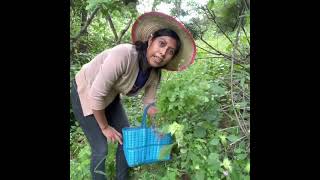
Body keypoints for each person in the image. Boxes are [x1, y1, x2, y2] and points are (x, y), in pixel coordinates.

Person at [70, 11, 196, 180]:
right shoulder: (124, 55)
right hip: (85, 91)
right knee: (101, 148)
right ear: (150, 40)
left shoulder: (154, 74)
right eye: (161, 43)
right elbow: (96, 95)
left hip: (110, 95)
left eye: (170, 51)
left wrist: (156, 125)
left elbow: (149, 102)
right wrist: (105, 127)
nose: (163, 52)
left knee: (125, 139)